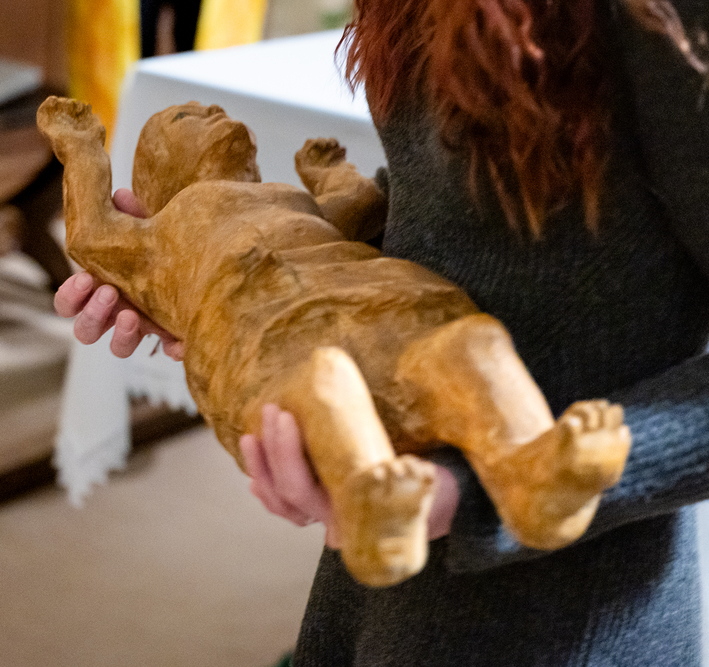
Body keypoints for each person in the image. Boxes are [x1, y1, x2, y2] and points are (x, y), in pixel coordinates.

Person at [55, 0, 709, 662]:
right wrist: (218, 288)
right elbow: (447, 192)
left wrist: (471, 494)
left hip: (569, 594)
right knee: (332, 395)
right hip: (391, 506)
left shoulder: (659, 20)